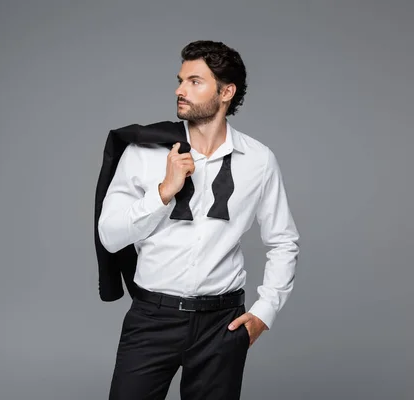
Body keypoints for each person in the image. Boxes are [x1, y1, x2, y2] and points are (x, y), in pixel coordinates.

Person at [97, 40, 300, 400]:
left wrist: (264, 312)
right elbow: (110, 238)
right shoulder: (143, 152)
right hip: (152, 318)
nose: (180, 90)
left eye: (194, 81)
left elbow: (283, 241)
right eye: (180, 80)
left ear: (226, 92)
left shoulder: (258, 160)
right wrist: (163, 192)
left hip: (221, 324)